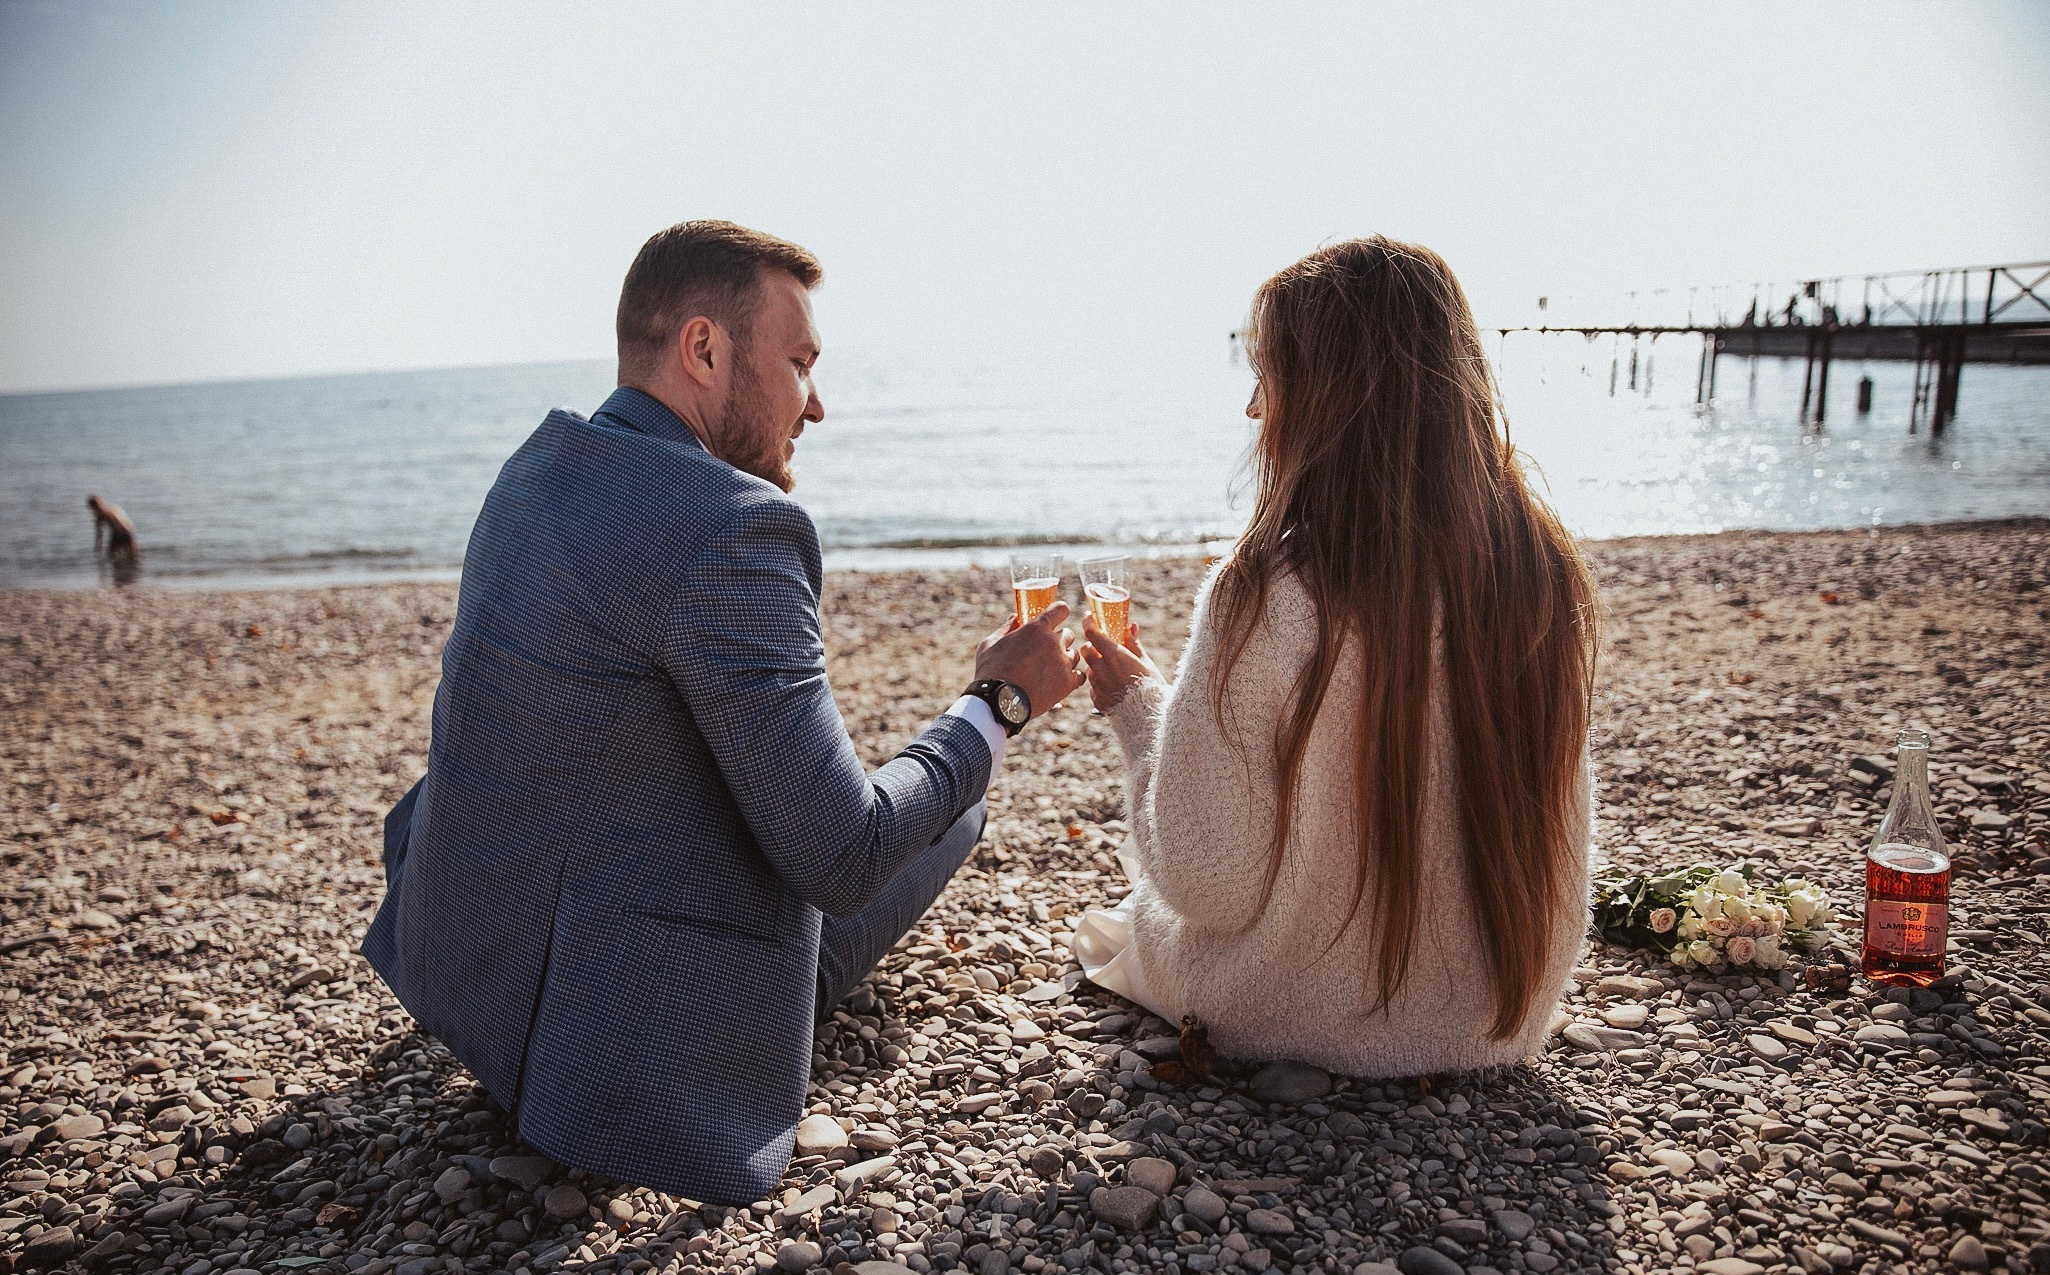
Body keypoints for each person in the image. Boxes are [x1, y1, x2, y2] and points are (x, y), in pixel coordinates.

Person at [360, 221, 1084, 1203]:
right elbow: (843, 854)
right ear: (704, 348)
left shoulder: (536, 467)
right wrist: (999, 702)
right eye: (797, 364)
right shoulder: (734, 525)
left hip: (461, 959)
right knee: (950, 805)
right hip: (594, 1048)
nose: (816, 405)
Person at [1076, 236, 1598, 1078]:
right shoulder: (1538, 572)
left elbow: (1207, 878)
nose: (1254, 408)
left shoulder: (1268, 593)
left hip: (1295, 1016)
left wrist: (1139, 711)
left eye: (1266, 376)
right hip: (1496, 1021)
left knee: (1115, 929)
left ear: (1325, 396)